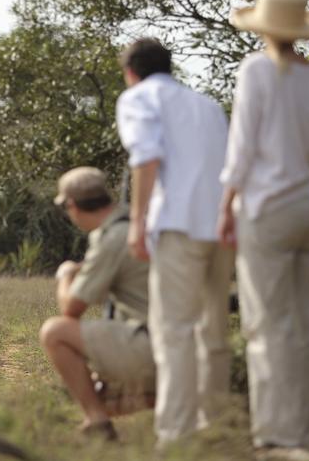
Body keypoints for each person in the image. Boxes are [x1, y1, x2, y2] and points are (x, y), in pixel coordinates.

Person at [217, 0, 309, 452]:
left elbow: (241, 147)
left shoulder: (257, 69)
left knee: (265, 326)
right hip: (306, 204)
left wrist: (225, 206)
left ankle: (273, 436)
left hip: (266, 208)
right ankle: (304, 431)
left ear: (263, 26)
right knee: (301, 325)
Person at [115, 38, 233, 446]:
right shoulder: (207, 104)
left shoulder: (137, 99)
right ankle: (214, 427)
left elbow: (146, 159)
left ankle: (176, 436)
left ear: (131, 73)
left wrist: (137, 223)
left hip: (177, 227)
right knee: (214, 332)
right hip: (221, 226)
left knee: (174, 332)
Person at [39, 166, 154, 441]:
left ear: (72, 205)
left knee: (54, 332)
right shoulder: (134, 221)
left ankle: (97, 421)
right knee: (98, 392)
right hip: (180, 341)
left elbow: (71, 308)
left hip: (151, 343)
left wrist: (66, 274)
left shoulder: (111, 238)